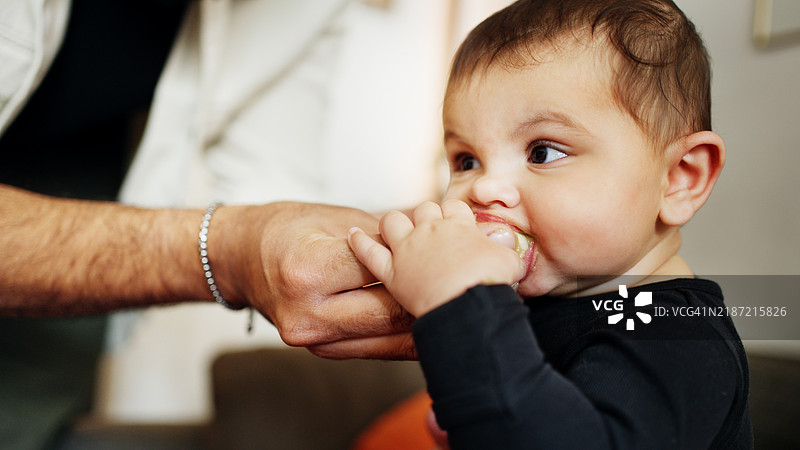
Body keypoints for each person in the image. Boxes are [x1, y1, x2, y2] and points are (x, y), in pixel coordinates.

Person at [1, 0, 426, 448]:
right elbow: (242, 239)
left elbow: (270, 187)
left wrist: (357, 246)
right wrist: (226, 250)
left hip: (66, 290)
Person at [347, 0, 753, 448]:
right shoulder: (534, 304)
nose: (484, 188)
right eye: (466, 161)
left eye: (542, 152)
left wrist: (460, 303)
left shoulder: (678, 334)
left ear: (678, 179)